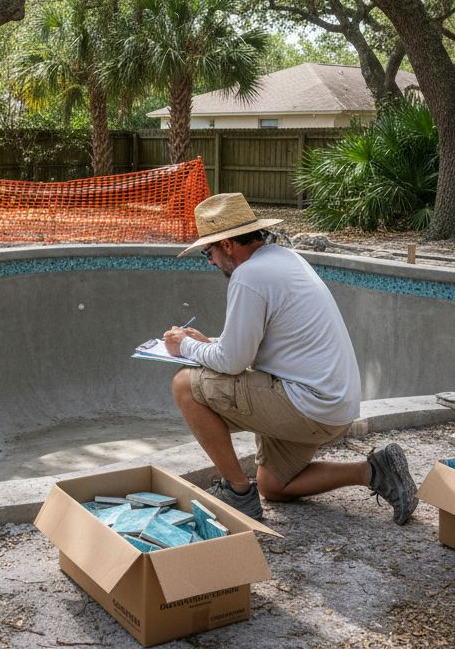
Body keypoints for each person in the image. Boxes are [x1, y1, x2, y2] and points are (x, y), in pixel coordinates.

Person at [162, 193, 417, 524]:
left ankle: (237, 493)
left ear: (226, 245)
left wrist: (184, 347)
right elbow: (253, 343)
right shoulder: (285, 258)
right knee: (275, 486)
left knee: (184, 384)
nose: (209, 261)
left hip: (308, 405)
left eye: (207, 252)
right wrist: (206, 341)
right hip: (331, 405)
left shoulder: (248, 276)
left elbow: (233, 363)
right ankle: (375, 470)